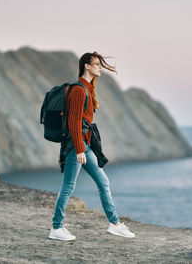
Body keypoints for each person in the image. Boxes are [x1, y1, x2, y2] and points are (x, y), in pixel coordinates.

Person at [48, 52, 135, 241]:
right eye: (96, 64)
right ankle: (56, 228)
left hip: (85, 145)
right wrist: (79, 149)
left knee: (103, 182)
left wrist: (83, 147)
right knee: (68, 187)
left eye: (100, 64)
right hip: (76, 146)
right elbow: (73, 121)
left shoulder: (87, 88)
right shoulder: (79, 90)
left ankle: (115, 224)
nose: (100, 67)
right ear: (86, 66)